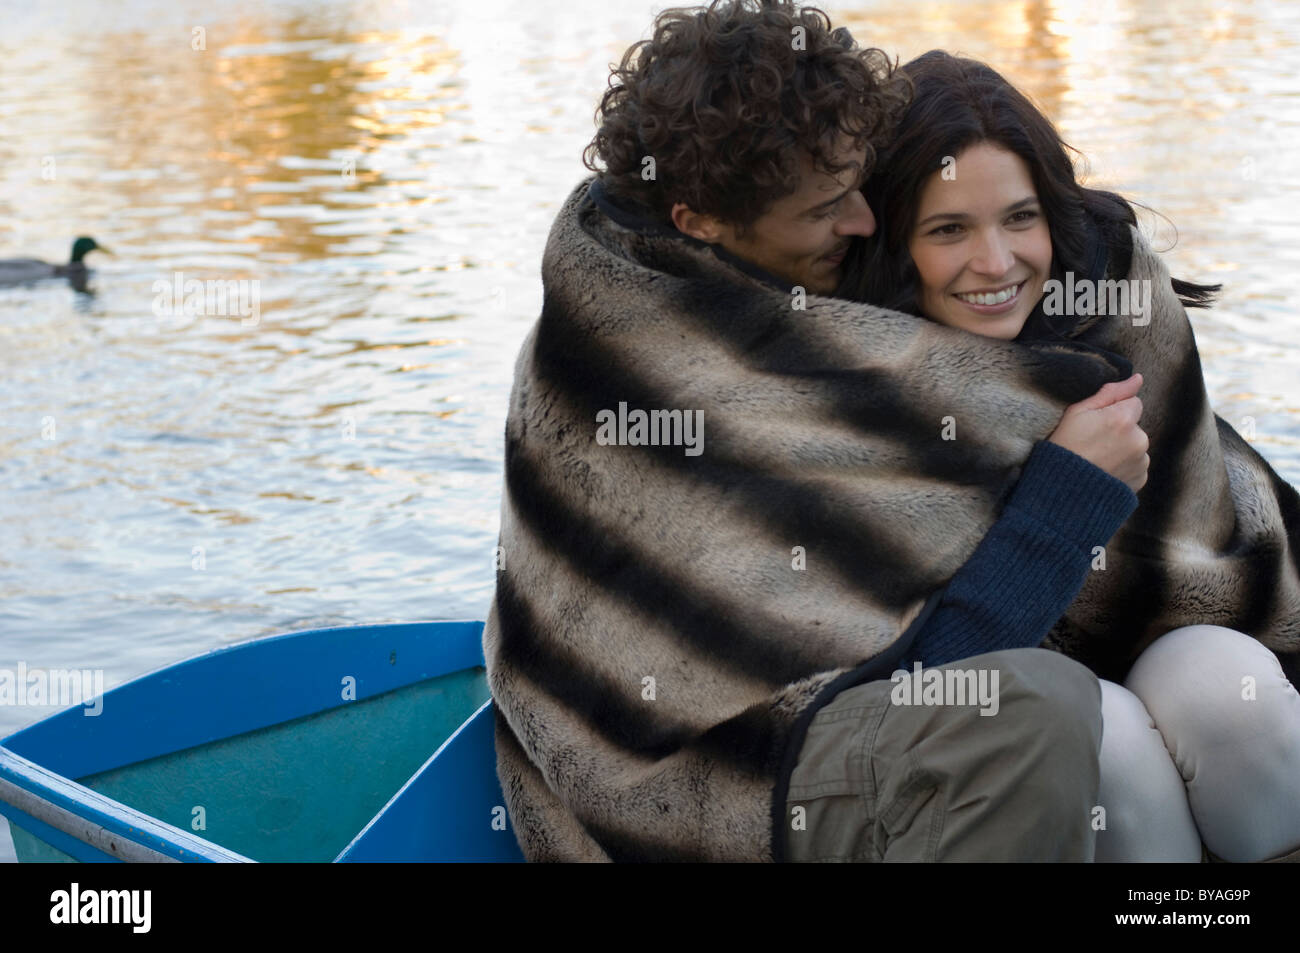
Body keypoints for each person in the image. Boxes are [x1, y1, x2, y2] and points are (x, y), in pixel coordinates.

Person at [486, 0, 1127, 863]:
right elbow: (924, 670)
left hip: (786, 759)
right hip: (689, 791)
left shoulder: (781, 309)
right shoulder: (642, 363)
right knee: (1023, 717)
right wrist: (1064, 504)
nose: (866, 222)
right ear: (699, 222)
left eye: (860, 184)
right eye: (828, 207)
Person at [838, 49, 1300, 863]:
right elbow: (900, 672)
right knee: (1103, 733)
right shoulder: (854, 380)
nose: (996, 262)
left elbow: (1208, 557)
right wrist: (1069, 489)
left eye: (1020, 217)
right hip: (1007, 704)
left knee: (1227, 690)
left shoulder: (1118, 309)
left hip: (1176, 645)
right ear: (891, 244)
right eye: (949, 229)